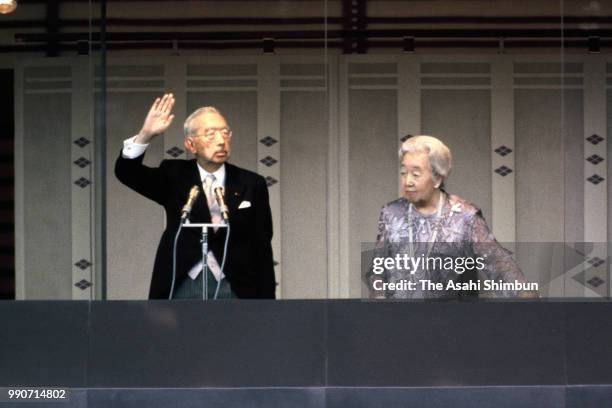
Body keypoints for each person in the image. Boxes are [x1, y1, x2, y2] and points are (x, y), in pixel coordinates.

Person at [115, 93, 276, 299]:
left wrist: (268, 304)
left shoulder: (251, 183)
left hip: (237, 285)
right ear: (191, 145)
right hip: (181, 282)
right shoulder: (174, 174)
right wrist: (145, 135)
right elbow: (127, 173)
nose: (221, 141)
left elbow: (262, 245)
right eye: (210, 134)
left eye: (225, 133)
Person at [367, 135, 538, 299]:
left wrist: (525, 295)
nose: (407, 181)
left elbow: (499, 265)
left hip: (450, 321)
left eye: (416, 174)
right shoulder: (391, 213)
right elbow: (378, 272)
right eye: (404, 173)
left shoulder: (465, 216)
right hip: (399, 320)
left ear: (437, 178)